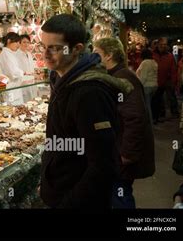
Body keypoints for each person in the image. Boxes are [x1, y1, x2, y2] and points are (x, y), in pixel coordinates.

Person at [39, 14, 130, 209]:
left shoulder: (89, 93)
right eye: (43, 46)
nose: (45, 54)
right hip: (60, 191)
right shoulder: (61, 80)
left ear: (77, 49)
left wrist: (68, 203)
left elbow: (104, 165)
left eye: (54, 48)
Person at [93, 38, 155, 208]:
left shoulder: (122, 77)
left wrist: (126, 154)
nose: (93, 57)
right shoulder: (116, 75)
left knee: (120, 195)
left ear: (109, 55)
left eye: (96, 53)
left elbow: (135, 118)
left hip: (122, 155)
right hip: (117, 152)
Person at [152, 37, 179, 122]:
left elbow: (173, 69)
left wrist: (173, 81)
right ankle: (160, 113)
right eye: (161, 44)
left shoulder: (169, 56)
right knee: (159, 98)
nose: (163, 46)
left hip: (167, 79)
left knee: (171, 96)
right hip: (156, 79)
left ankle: (175, 112)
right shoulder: (152, 54)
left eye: (164, 44)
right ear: (158, 44)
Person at [0, 32, 28, 105]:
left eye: (19, 42)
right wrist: (23, 73)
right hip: (10, 89)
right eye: (16, 42)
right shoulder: (6, 54)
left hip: (14, 89)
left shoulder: (10, 53)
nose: (18, 44)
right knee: (12, 110)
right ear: (8, 41)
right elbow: (13, 72)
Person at [136, 49, 158, 126]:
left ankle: (149, 124)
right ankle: (150, 122)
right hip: (154, 85)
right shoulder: (154, 62)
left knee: (147, 106)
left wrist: (138, 86)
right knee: (150, 104)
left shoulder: (145, 63)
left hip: (146, 86)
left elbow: (143, 77)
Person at [16, 34, 37, 102]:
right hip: (22, 84)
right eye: (24, 42)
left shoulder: (29, 54)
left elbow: (32, 68)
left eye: (28, 42)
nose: (26, 44)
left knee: (32, 103)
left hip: (31, 82)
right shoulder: (16, 54)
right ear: (19, 42)